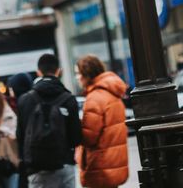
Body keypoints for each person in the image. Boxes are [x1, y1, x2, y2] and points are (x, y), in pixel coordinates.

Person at [16, 53, 82, 188]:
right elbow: (76, 138)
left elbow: (20, 136)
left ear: (38, 72)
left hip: (36, 169)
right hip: (64, 164)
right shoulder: (68, 99)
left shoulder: (25, 100)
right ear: (59, 71)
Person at [75, 55, 128, 188]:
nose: (76, 77)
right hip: (113, 163)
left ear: (86, 74)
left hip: (99, 166)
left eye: (78, 73)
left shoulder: (95, 98)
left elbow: (89, 138)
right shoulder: (113, 95)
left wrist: (77, 126)